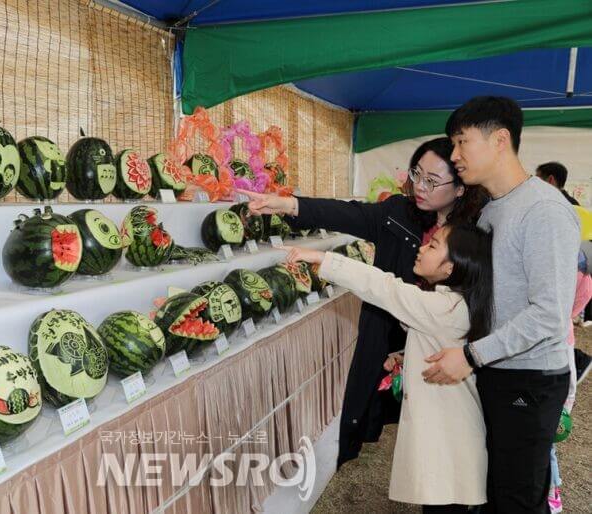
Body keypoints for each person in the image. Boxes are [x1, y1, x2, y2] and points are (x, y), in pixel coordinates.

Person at [240, 138, 488, 468]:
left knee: (438, 436)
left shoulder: (474, 235)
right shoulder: (399, 213)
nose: (420, 187)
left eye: (432, 181)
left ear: (460, 188)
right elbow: (347, 213)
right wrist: (286, 205)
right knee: (383, 408)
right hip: (388, 333)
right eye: (417, 174)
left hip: (442, 347)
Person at [422, 96, 579, 513]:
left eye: (461, 142)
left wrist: (472, 356)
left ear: (500, 140)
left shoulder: (543, 211)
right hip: (496, 368)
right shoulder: (493, 211)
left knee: (516, 499)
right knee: (493, 488)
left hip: (528, 379)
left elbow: (548, 315)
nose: (454, 156)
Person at [283, 223, 492, 513]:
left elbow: (386, 288)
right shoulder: (457, 304)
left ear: (451, 268)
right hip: (453, 436)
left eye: (433, 246)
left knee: (444, 506)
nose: (422, 248)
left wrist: (325, 259)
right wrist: (407, 355)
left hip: (449, 440)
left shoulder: (443, 307)